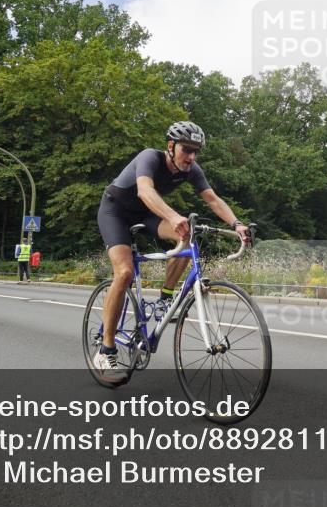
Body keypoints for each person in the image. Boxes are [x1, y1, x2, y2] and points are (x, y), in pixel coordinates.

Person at [94, 121, 249, 374]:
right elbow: (145, 191)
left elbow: (212, 199)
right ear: (170, 146)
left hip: (145, 214)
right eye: (186, 149)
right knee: (123, 273)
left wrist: (236, 223)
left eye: (195, 151)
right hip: (115, 211)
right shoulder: (149, 157)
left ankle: (166, 297)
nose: (191, 156)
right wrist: (174, 216)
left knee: (187, 234)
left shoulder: (192, 170)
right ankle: (106, 349)